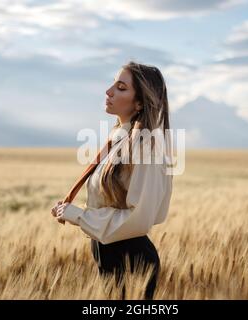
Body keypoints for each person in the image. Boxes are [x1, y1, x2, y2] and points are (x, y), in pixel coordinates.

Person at [51, 61, 173, 300]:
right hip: (107, 254)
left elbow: (139, 218)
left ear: (139, 103)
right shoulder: (119, 138)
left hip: (130, 260)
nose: (108, 91)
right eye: (113, 85)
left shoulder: (146, 147)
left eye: (121, 87)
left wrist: (79, 215)